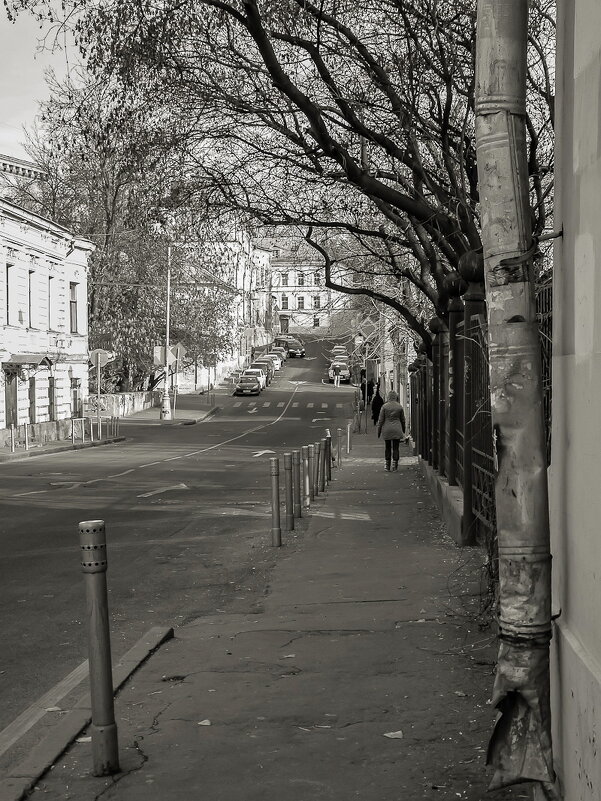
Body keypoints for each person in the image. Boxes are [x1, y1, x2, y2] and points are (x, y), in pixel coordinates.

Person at [377, 390, 406, 472]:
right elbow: (403, 420)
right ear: (396, 397)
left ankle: (387, 465)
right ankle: (395, 465)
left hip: (387, 429)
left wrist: (379, 432)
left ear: (388, 397)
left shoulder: (384, 407)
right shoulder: (399, 407)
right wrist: (403, 430)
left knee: (388, 447)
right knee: (396, 447)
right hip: (397, 428)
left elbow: (381, 420)